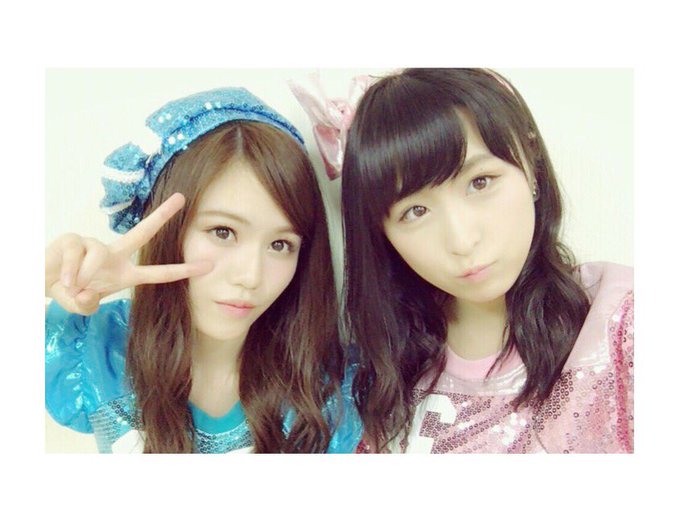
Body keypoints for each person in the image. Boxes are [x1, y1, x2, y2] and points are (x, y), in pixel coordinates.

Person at [45, 87, 361, 453]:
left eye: (280, 245)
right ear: (166, 230)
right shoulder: (95, 348)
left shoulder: (329, 392)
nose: (250, 277)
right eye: (223, 232)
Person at [337, 68, 633, 453]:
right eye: (415, 211)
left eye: (480, 182)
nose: (462, 241)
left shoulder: (619, 321)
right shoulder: (378, 377)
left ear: (531, 166)